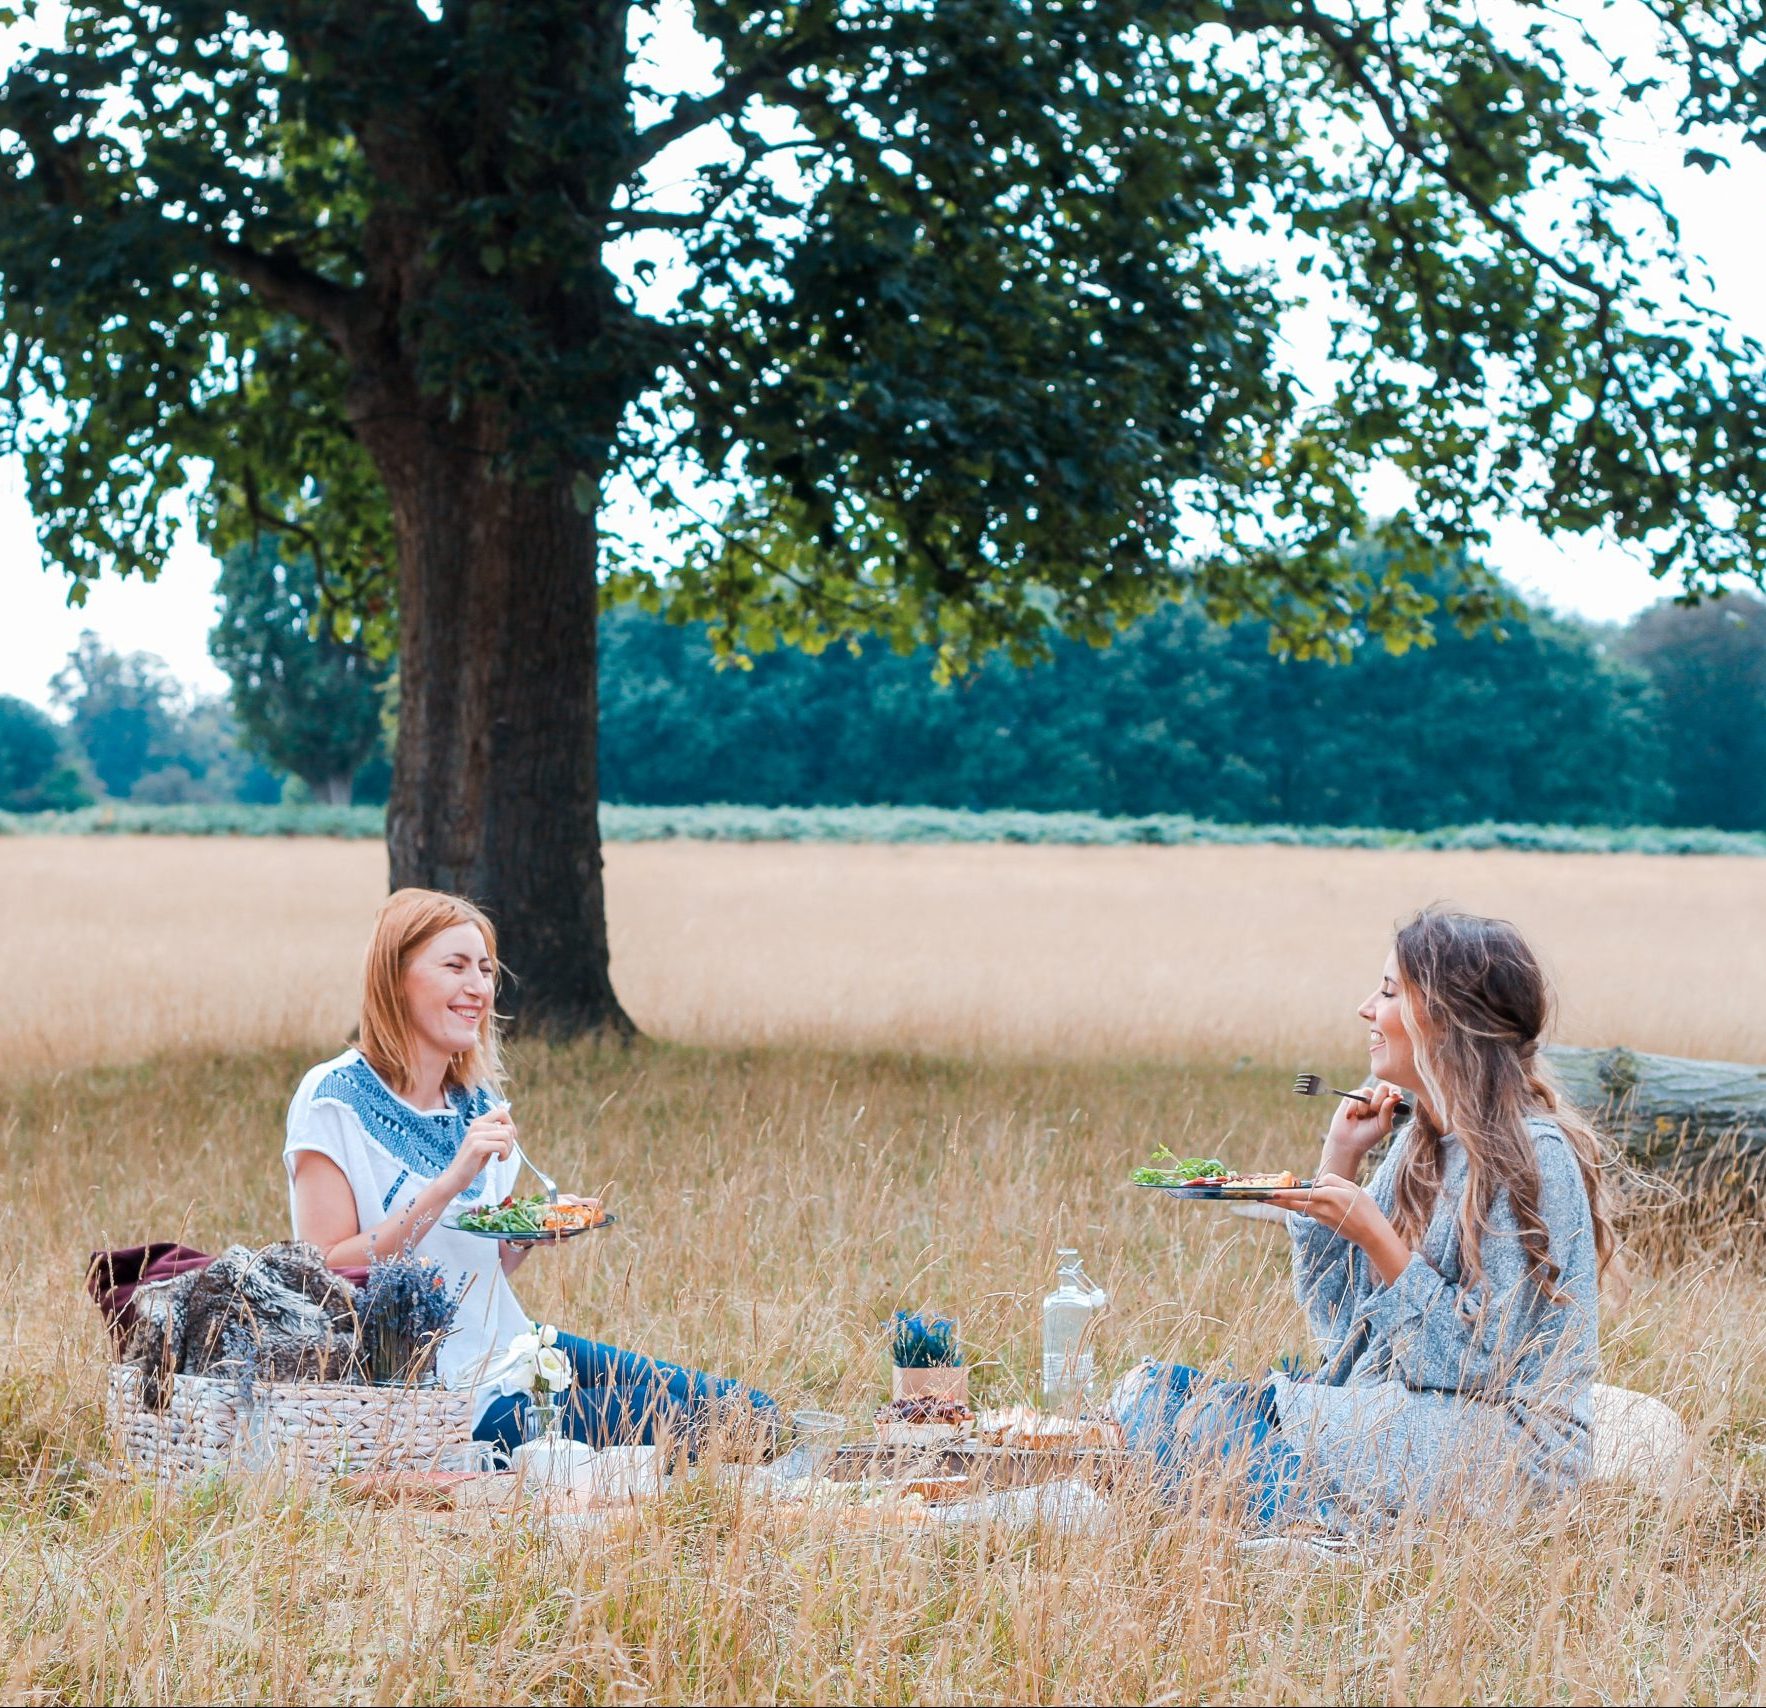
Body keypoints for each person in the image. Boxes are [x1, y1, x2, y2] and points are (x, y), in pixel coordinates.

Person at [1117, 906, 1624, 1530]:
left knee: (1198, 1423)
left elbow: (1477, 1366)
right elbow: (1337, 1324)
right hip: (1412, 1413)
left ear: (1442, 1017)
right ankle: (1303, 1512)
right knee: (1152, 1391)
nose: (1366, 1009)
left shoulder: (1534, 1156)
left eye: (1387, 992)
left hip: (1505, 1447)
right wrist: (1342, 1159)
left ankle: (1323, 1527)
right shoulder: (1422, 1143)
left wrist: (1377, 1239)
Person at [283, 887, 776, 1456]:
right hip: (440, 1399)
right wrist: (450, 1182)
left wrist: (525, 1233)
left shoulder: (475, 1102)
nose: (478, 987)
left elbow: (480, 1268)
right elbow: (326, 1272)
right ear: (395, 978)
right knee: (721, 1430)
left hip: (515, 1351)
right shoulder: (332, 1098)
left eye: (486, 969)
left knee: (750, 1412)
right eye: (455, 966)